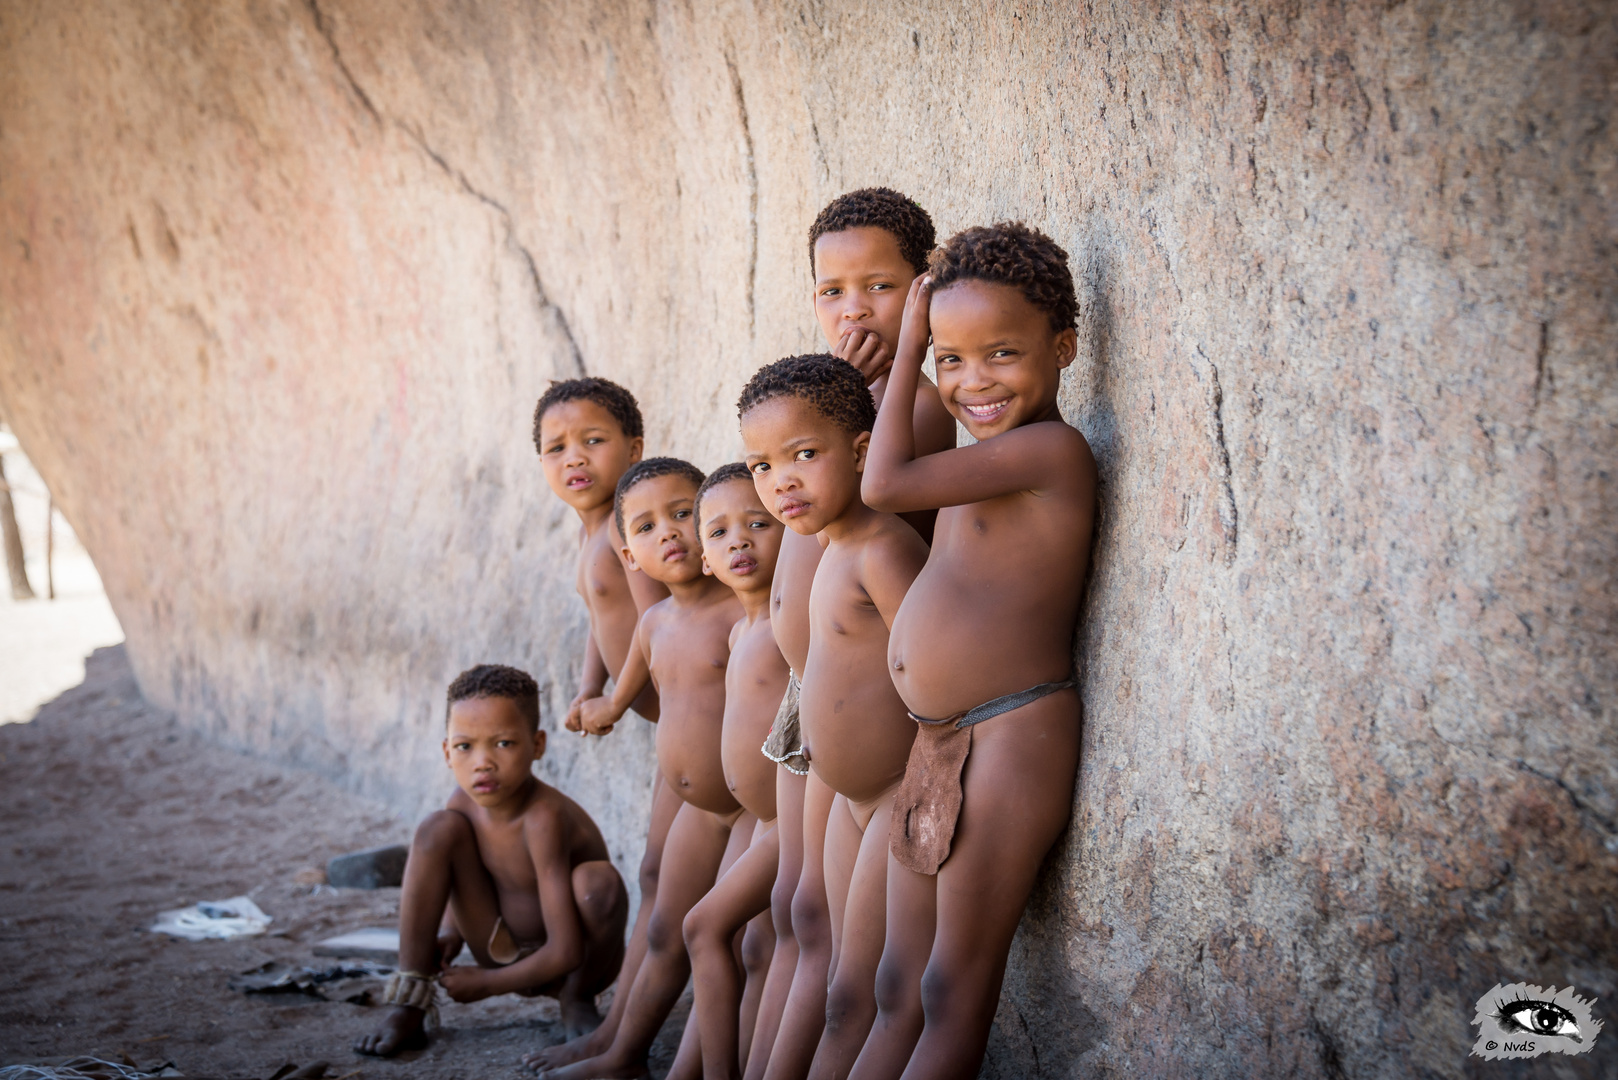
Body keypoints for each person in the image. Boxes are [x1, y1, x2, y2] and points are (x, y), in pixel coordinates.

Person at [853, 223, 1096, 1080]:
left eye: (999, 353)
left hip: (1009, 736)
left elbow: (879, 486)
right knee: (897, 986)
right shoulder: (985, 453)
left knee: (955, 989)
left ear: (1062, 347)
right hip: (940, 743)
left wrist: (913, 338)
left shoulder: (1048, 452)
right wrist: (911, 361)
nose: (971, 381)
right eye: (950, 360)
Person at [758, 188, 957, 1080]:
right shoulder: (824, 402)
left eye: (879, 287)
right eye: (832, 290)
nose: (854, 309)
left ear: (922, 289)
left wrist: (902, 360)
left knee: (857, 974)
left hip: (877, 739)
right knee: (801, 915)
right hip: (813, 716)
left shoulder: (909, 402)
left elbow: (885, 480)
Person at [738, 356, 929, 1080]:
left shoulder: (882, 548)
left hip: (891, 797)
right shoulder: (828, 550)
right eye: (760, 465)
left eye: (803, 455)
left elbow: (930, 665)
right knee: (834, 971)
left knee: (863, 991)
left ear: (860, 449)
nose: (778, 480)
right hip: (845, 798)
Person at [538, 458, 750, 1080]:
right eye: (649, 527)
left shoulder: (740, 612)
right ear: (631, 557)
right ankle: (624, 1054)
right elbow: (619, 695)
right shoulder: (655, 622)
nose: (671, 533)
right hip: (698, 809)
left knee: (731, 939)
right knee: (665, 928)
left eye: (685, 514)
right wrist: (591, 708)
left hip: (746, 810)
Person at [354, 665, 629, 1058]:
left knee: (597, 882)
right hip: (499, 945)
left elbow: (566, 949)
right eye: (465, 746)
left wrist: (487, 984)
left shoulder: (542, 817)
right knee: (436, 829)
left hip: (573, 963)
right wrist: (451, 932)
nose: (482, 762)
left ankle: (577, 1001)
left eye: (503, 744)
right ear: (447, 752)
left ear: (537, 745)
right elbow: (463, 878)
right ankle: (409, 1003)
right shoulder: (460, 804)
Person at [527, 378, 682, 1071]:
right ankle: (615, 1034)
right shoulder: (595, 529)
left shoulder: (631, 524)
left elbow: (657, 622)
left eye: (593, 440)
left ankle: (622, 1045)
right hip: (676, 725)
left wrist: (617, 701)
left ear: (634, 447)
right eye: (556, 448)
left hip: (691, 721)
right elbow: (604, 615)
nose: (575, 458)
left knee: (667, 886)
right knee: (657, 876)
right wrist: (590, 683)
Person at [682, 464, 797, 1080]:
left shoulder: (790, 619)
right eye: (720, 534)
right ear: (705, 559)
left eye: (758, 524)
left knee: (704, 926)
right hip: (755, 818)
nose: (740, 542)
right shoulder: (739, 628)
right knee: (751, 945)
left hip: (792, 818)